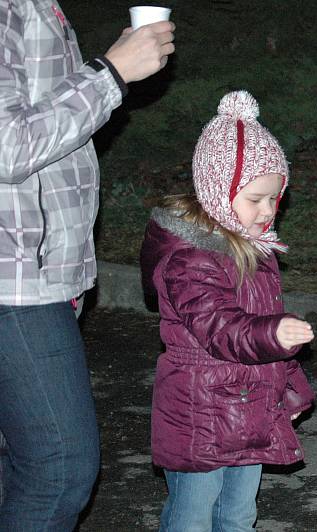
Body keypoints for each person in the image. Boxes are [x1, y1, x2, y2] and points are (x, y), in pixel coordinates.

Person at [0, 1, 175, 527]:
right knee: (60, 470)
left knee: (20, 464)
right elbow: (7, 147)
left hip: (38, 271)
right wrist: (111, 74)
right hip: (14, 281)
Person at [139, 90, 315, 530]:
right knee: (192, 517)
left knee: (238, 515)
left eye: (275, 198)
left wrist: (290, 388)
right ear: (218, 191)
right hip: (200, 411)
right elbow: (222, 328)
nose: (268, 210)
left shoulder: (256, 250)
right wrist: (275, 333)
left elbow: (264, 327)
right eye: (255, 198)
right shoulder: (190, 259)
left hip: (250, 405)